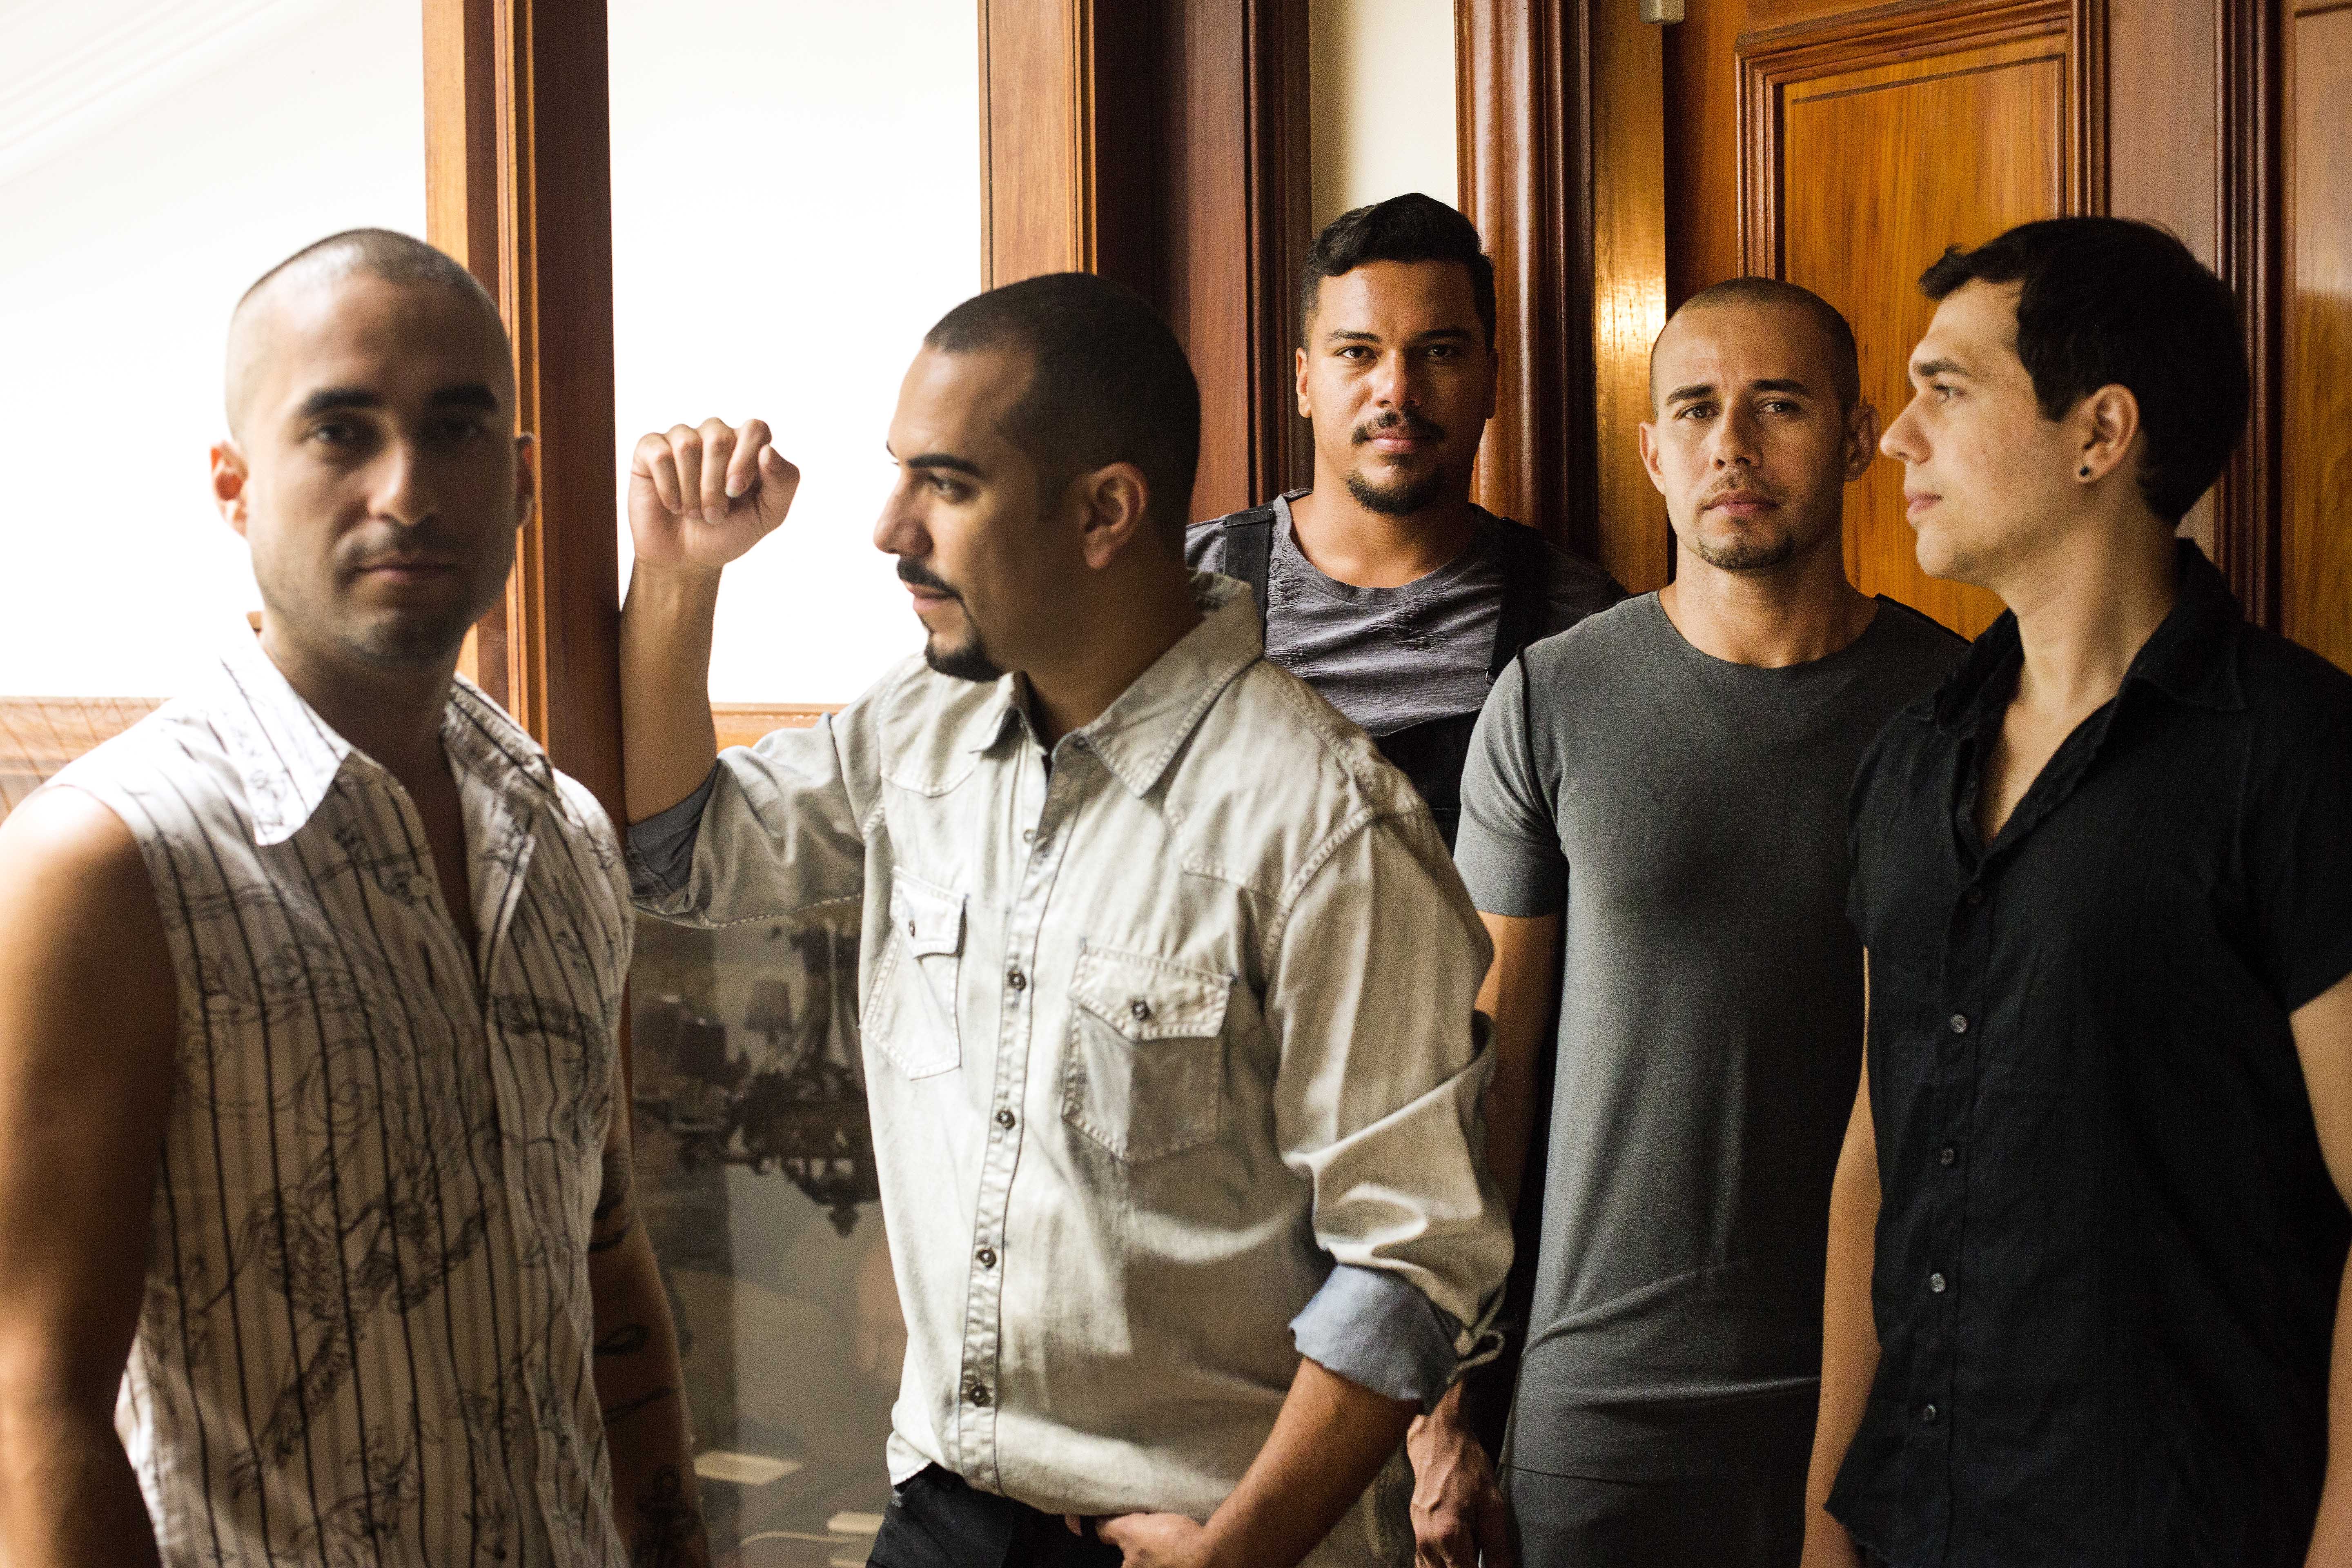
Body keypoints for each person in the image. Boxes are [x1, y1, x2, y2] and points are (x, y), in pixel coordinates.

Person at [617, 272, 1511, 1568]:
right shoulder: (918, 731)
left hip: (1208, 1536)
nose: (888, 527)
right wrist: (676, 574)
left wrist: (1238, 1554)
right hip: (941, 1512)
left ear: (1104, 513)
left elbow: (1410, 1266)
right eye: (899, 473)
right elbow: (679, 857)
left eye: (946, 484)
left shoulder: (1326, 828)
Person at [0, 231, 701, 1566]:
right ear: (235, 486)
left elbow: (605, 1266)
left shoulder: (563, 837)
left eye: (455, 429)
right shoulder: (109, 864)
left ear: (523, 479)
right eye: (340, 431)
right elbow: (34, 1405)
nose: (408, 490)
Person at [1803, 218, 2352, 1566]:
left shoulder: (2300, 753)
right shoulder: (1907, 761)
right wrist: (1825, 1523)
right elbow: (1876, 1154)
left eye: (1946, 389)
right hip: (1912, 1528)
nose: (1896, 438)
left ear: (2100, 432)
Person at [1410, 278, 1965, 1568]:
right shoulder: (1551, 698)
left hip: (1886, 1395)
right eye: (1698, 410)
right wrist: (1450, 1401)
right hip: (1602, 1405)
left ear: (1856, 438)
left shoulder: (1957, 708)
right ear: (1655, 452)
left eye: (1779, 406)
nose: (1733, 445)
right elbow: (1493, 1073)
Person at [1185, 194, 1620, 848]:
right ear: (1304, 382)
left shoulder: (1581, 622)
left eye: (1439, 352)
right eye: (1358, 353)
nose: (1397, 390)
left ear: (1491, 380)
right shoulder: (1177, 592)